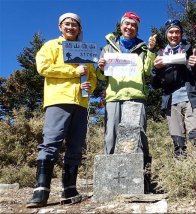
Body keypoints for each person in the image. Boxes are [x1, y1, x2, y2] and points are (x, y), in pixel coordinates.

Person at [26, 12, 97, 208]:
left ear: (79, 28)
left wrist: (89, 86)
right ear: (60, 27)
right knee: (51, 143)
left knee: (75, 146)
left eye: (75, 25)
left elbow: (92, 76)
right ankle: (41, 191)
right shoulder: (51, 46)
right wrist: (73, 72)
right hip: (58, 100)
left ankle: (69, 189)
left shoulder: (85, 49)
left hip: (81, 104)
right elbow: (43, 68)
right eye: (67, 24)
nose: (70, 27)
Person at [97, 12, 156, 165]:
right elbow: (102, 77)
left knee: (138, 135)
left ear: (137, 29)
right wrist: (101, 68)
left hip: (136, 95)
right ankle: (108, 174)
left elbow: (148, 71)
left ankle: (143, 176)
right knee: (111, 135)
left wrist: (150, 50)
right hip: (114, 97)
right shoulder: (108, 48)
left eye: (134, 25)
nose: (130, 27)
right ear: (121, 25)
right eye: (127, 24)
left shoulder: (143, 49)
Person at [150, 19, 196, 159]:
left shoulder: (190, 50)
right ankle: (182, 174)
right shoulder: (160, 55)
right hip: (171, 102)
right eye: (171, 32)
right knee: (178, 141)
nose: (174, 35)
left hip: (190, 99)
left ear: (181, 34)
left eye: (177, 32)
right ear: (166, 34)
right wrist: (156, 70)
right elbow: (154, 85)